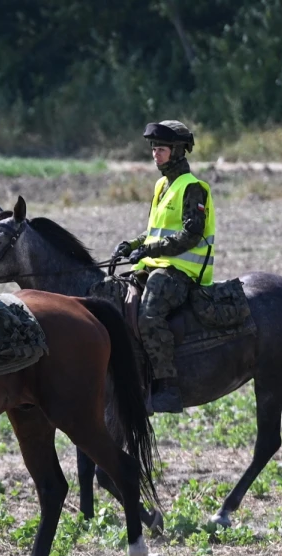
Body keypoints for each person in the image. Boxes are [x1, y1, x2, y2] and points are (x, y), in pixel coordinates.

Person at [112, 119, 216, 413]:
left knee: (148, 316)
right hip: (154, 265)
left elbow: (190, 234)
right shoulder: (162, 185)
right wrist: (132, 245)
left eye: (163, 148)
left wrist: (148, 249)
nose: (156, 153)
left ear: (180, 151)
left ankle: (168, 388)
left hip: (181, 271)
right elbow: (155, 230)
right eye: (154, 148)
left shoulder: (193, 188)